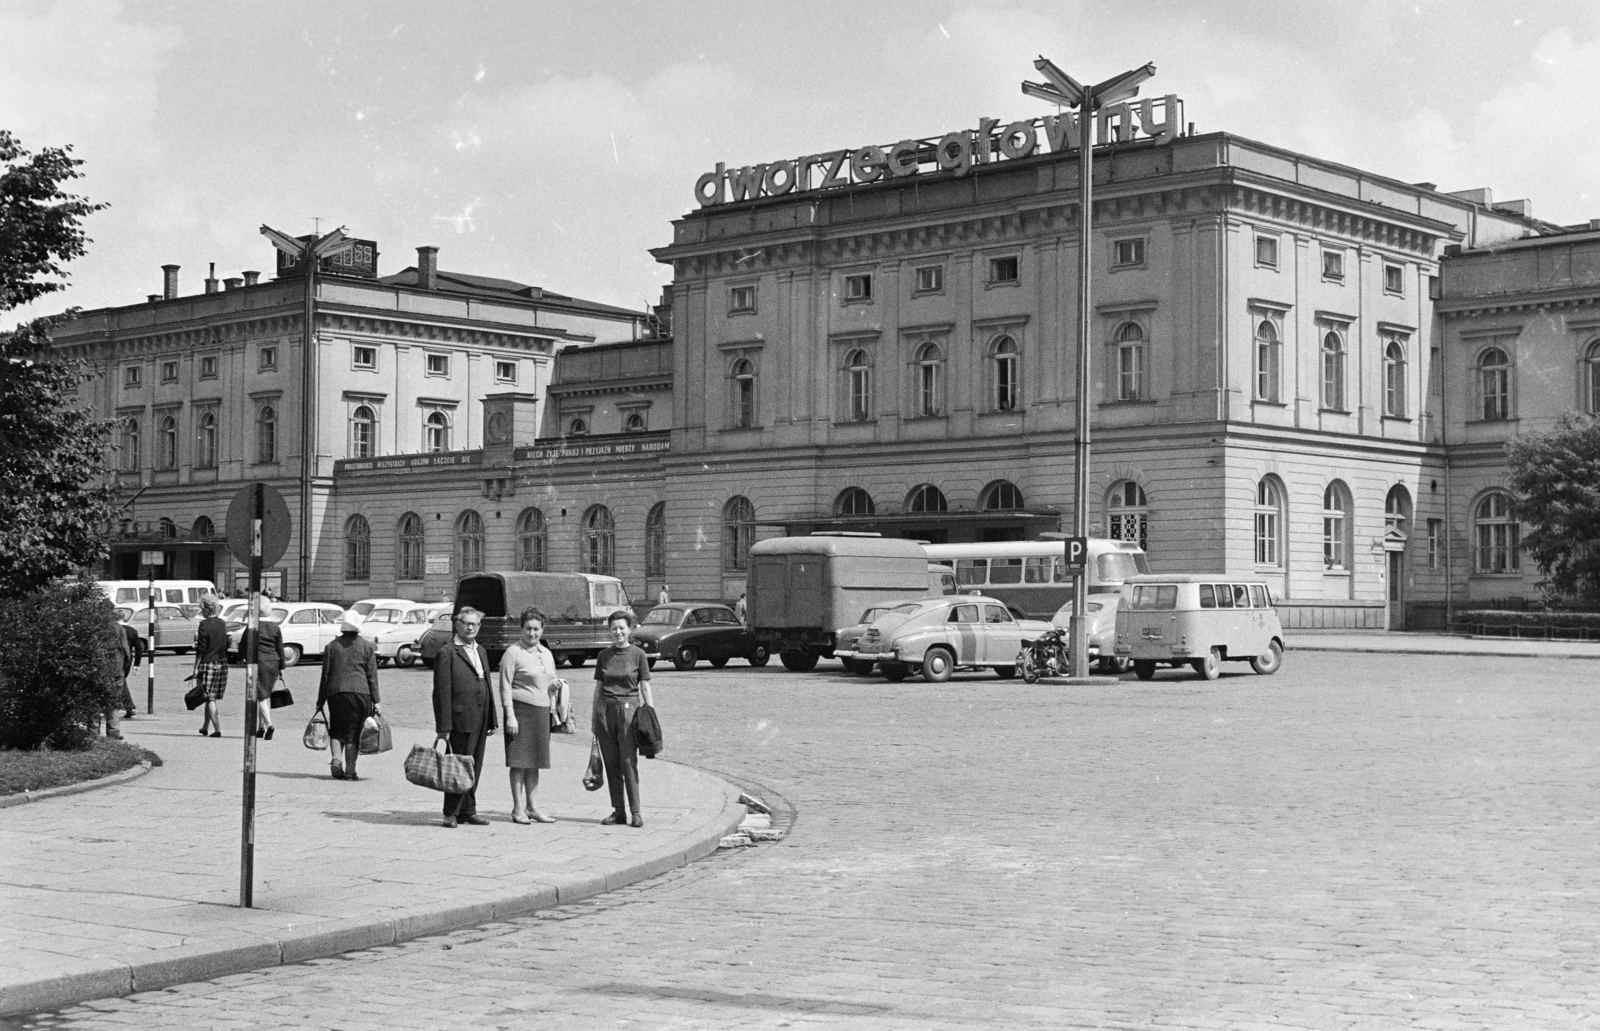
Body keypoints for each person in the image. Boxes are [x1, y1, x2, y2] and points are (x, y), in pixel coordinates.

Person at [432, 607, 497, 827]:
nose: (470, 628)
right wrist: (444, 726)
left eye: (475, 624)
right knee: (457, 764)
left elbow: (487, 683)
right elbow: (441, 693)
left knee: (474, 765)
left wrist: (492, 719)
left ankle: (468, 810)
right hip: (460, 718)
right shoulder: (448, 652)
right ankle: (450, 812)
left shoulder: (480, 651)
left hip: (480, 715)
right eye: (466, 623)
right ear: (456, 624)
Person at [497, 607, 559, 824]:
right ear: (521, 629)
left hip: (542, 712)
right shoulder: (512, 653)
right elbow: (504, 686)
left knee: (535, 762)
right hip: (521, 712)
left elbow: (549, 680)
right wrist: (510, 716)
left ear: (542, 630)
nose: (532, 634)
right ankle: (517, 808)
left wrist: (555, 687)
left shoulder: (546, 653)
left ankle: (533, 807)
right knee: (519, 762)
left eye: (536, 629)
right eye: (528, 629)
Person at [592, 609, 653, 828]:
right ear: (609, 631)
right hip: (606, 713)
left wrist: (650, 716)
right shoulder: (604, 656)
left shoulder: (638, 655)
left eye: (621, 628)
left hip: (629, 712)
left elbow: (644, 686)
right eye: (613, 628)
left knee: (628, 762)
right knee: (611, 764)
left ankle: (636, 812)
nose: (617, 632)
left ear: (629, 630)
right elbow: (598, 688)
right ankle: (618, 811)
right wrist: (594, 718)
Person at [316, 618, 381, 780]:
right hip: (360, 693)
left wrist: (320, 701)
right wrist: (377, 700)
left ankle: (336, 759)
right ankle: (351, 771)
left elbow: (325, 676)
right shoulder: (367, 646)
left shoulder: (331, 646)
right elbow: (372, 676)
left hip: (336, 693)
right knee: (354, 731)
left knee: (337, 728)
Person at [239, 597, 287, 740]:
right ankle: (261, 727)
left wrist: (241, 657)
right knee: (266, 694)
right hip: (273, 662)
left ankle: (269, 724)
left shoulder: (253, 627)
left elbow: (243, 644)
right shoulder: (275, 627)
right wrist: (281, 666)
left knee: (260, 695)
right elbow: (280, 648)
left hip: (257, 662)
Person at [193, 595, 229, 737]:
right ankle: (205, 727)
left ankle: (217, 729)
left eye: (201, 609)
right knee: (209, 697)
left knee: (209, 698)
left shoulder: (204, 624)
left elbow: (201, 648)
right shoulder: (222, 623)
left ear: (206, 610)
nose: (201, 611)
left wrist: (195, 667)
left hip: (207, 663)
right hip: (222, 662)